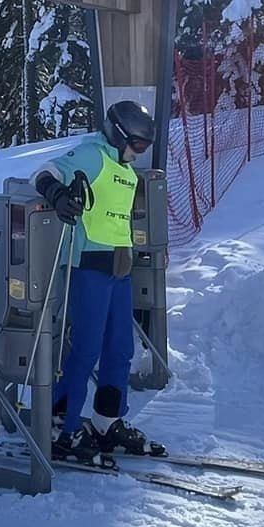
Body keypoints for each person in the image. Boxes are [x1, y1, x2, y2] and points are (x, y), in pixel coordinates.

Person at [34, 99, 163, 466]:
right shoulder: (93, 154)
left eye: (145, 147)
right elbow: (44, 173)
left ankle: (107, 421)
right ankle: (60, 424)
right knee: (86, 348)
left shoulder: (124, 168)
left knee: (120, 348)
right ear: (119, 134)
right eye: (137, 145)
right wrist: (58, 195)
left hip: (119, 268)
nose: (139, 153)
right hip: (89, 265)